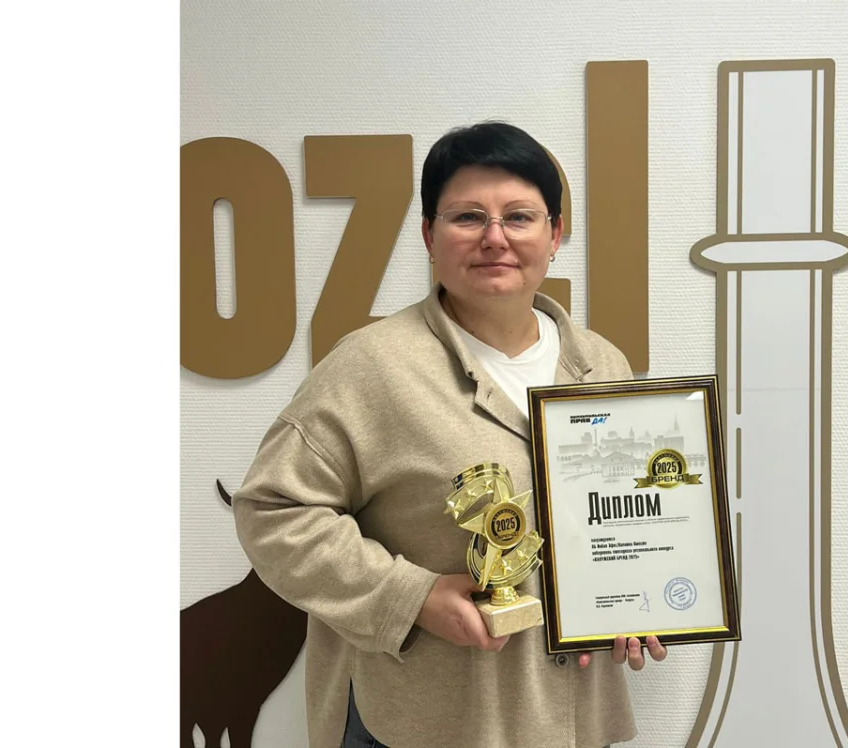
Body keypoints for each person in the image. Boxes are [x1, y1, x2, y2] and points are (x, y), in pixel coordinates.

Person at [231, 121, 666, 748]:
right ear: (429, 236)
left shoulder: (601, 364)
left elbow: (622, 517)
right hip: (424, 716)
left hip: (569, 712)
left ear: (555, 235)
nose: (495, 237)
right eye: (468, 217)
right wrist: (411, 598)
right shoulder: (371, 366)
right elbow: (272, 511)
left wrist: (634, 596)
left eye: (519, 217)